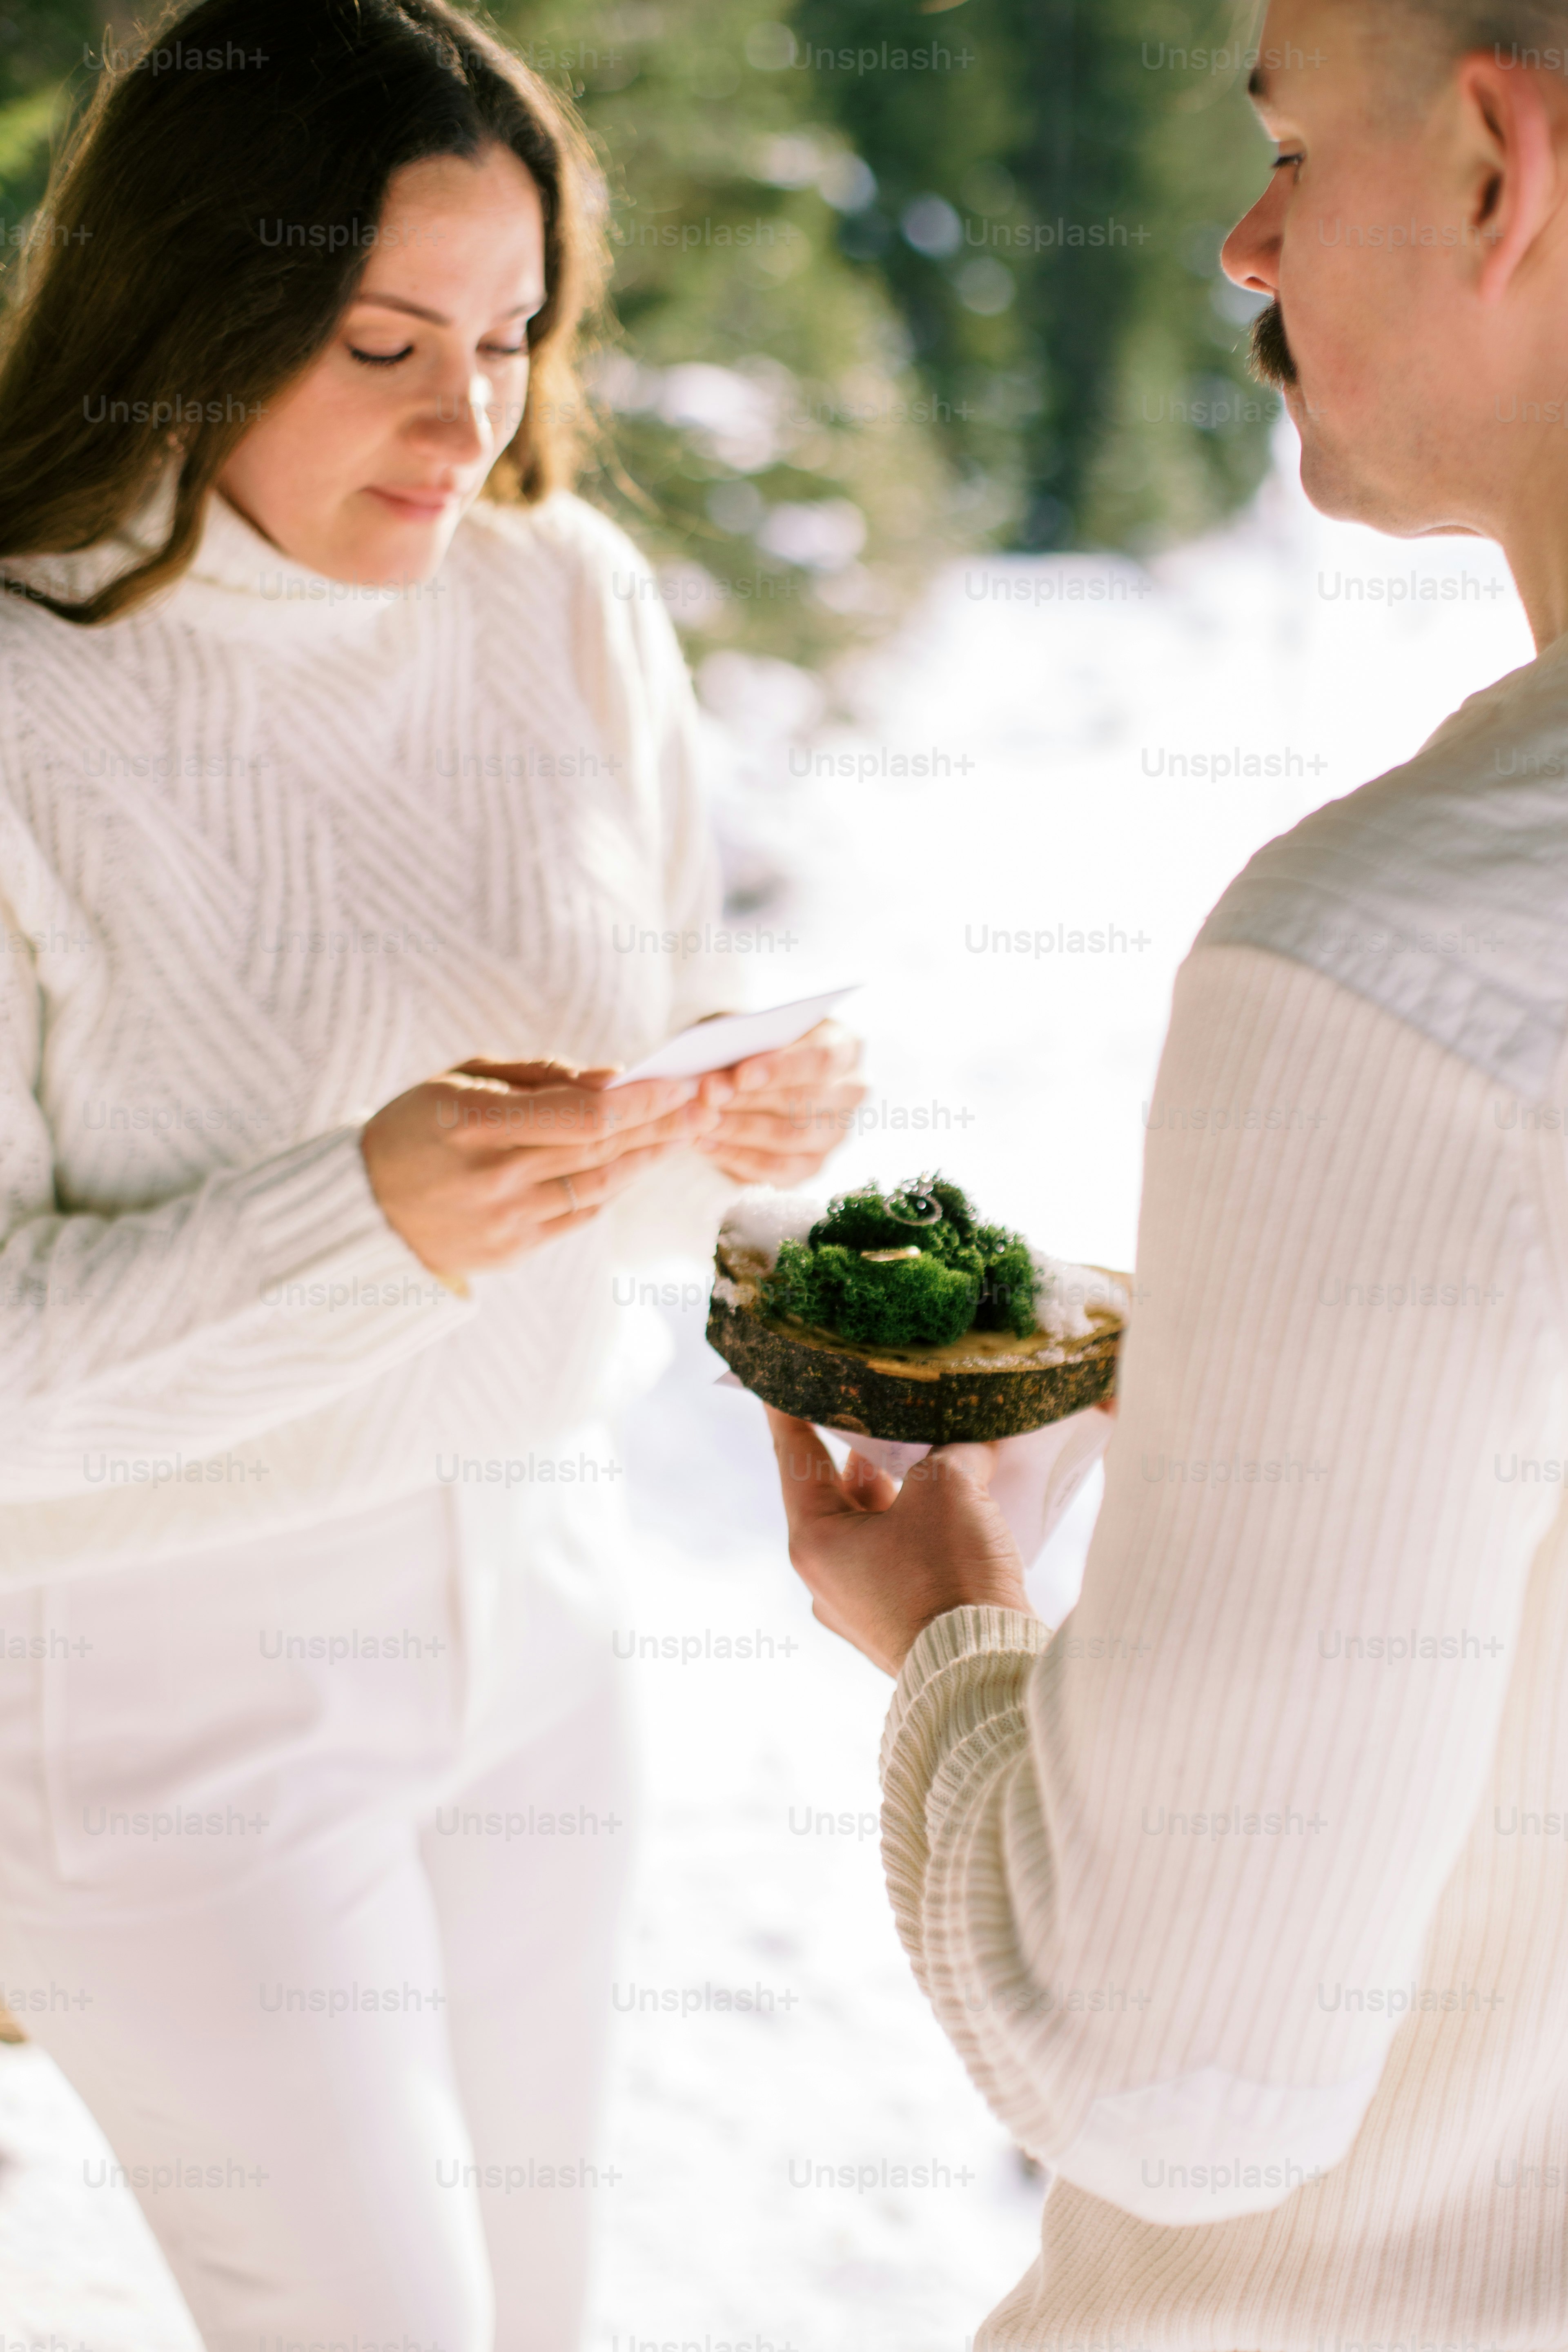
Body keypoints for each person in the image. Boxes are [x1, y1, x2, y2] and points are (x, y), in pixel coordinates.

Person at [0, 3, 862, 2347]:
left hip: (536, 1615)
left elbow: (638, 1119)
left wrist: (732, 1138)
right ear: (189, 299)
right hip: (164, 1683)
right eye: (383, 339)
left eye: (505, 335)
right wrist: (354, 1217)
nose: (467, 415)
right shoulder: (21, 707)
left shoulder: (560, 601)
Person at [769, 4, 1568, 2346]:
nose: (1244, 238)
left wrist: (948, 1623)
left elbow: (1178, 2067)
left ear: (1506, 168)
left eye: (1301, 150)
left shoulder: (1409, 967)